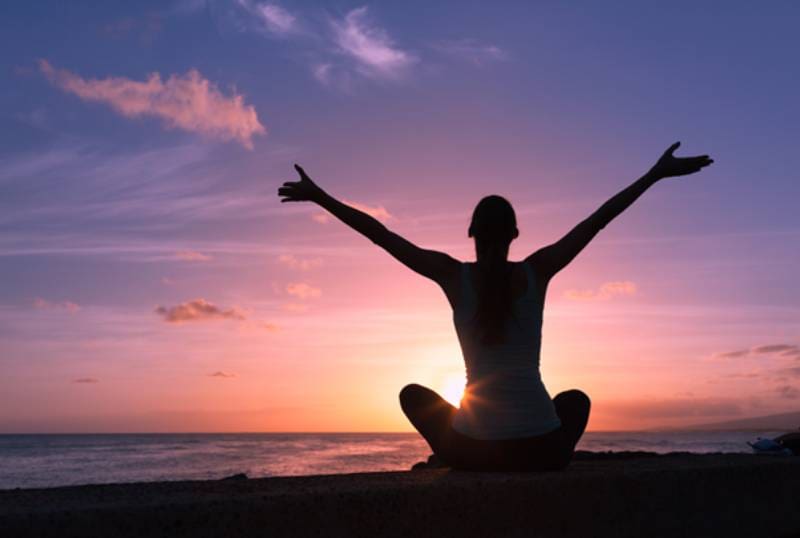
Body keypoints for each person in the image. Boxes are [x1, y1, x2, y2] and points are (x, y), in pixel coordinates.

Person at [278, 142, 713, 471]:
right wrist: (654, 174)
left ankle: (448, 457)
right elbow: (598, 220)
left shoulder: (453, 275)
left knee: (413, 395)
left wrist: (319, 196)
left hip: (471, 454)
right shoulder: (538, 270)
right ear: (515, 234)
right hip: (542, 452)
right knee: (576, 400)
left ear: (471, 233)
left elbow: (381, 235)